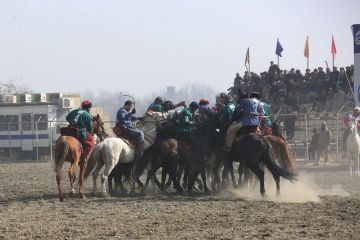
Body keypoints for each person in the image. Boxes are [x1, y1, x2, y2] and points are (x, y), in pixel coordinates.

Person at [66, 100, 95, 164]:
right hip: (79, 131)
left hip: (69, 129)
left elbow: (67, 118)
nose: (90, 109)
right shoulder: (87, 114)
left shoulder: (74, 111)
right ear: (88, 108)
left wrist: (72, 122)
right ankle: (84, 157)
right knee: (91, 142)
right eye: (90, 107)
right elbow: (89, 128)